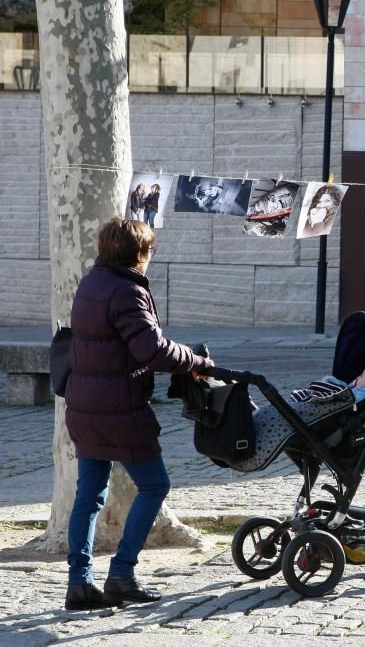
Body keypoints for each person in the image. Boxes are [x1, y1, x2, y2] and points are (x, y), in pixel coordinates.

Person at [63, 219, 213, 611]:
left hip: (85, 406)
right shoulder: (127, 290)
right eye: (150, 251)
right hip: (121, 409)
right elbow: (152, 349)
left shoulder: (92, 282)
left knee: (89, 496)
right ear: (138, 254)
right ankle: (122, 574)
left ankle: (79, 583)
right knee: (154, 485)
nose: (150, 259)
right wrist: (197, 361)